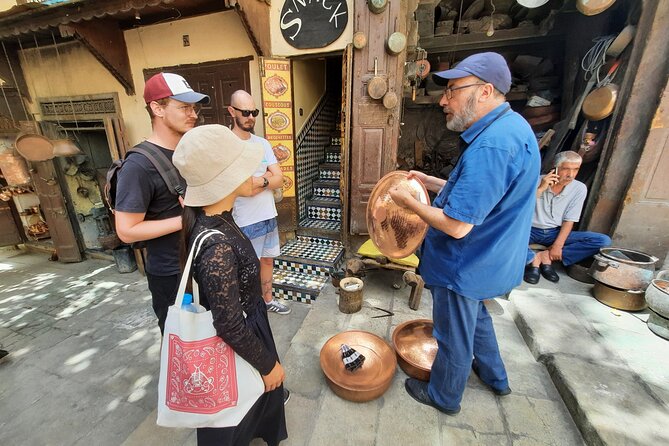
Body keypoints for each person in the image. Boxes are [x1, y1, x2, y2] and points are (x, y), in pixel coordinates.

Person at [388, 52, 540, 415]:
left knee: (453, 335)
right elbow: (480, 197)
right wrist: (430, 182)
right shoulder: (513, 128)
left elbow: (457, 225)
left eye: (453, 90)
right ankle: (496, 377)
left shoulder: (492, 146)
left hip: (466, 262)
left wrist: (410, 202)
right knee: (477, 319)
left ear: (485, 91)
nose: (443, 100)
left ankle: (444, 396)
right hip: (490, 259)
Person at [174, 124, 288, 446]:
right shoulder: (217, 248)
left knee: (249, 407)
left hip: (251, 328)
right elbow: (228, 324)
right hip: (239, 339)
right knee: (230, 420)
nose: (253, 173)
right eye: (243, 167)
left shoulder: (221, 216)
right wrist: (267, 365)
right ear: (225, 179)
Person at [114, 72, 209, 333]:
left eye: (194, 107)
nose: (193, 114)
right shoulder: (138, 166)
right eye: (184, 107)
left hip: (201, 262)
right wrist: (186, 218)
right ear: (157, 108)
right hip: (171, 273)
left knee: (209, 337)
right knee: (181, 341)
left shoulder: (188, 152)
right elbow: (126, 230)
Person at [227, 90, 290, 315]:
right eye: (245, 112)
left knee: (267, 261)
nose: (251, 117)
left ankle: (267, 300)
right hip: (243, 220)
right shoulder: (226, 145)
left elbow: (279, 178)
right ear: (232, 111)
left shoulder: (262, 143)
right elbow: (239, 188)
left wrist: (258, 182)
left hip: (268, 214)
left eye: (254, 112)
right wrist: (266, 180)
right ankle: (248, 309)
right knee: (246, 268)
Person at [523, 151, 611, 284]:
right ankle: (533, 260)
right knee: (501, 238)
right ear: (555, 168)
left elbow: (570, 220)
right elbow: (520, 208)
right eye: (566, 169)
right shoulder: (536, 181)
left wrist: (558, 246)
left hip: (554, 232)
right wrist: (541, 189)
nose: (571, 175)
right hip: (529, 229)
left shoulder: (579, 188)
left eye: (576, 169)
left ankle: (546, 257)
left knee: (602, 241)